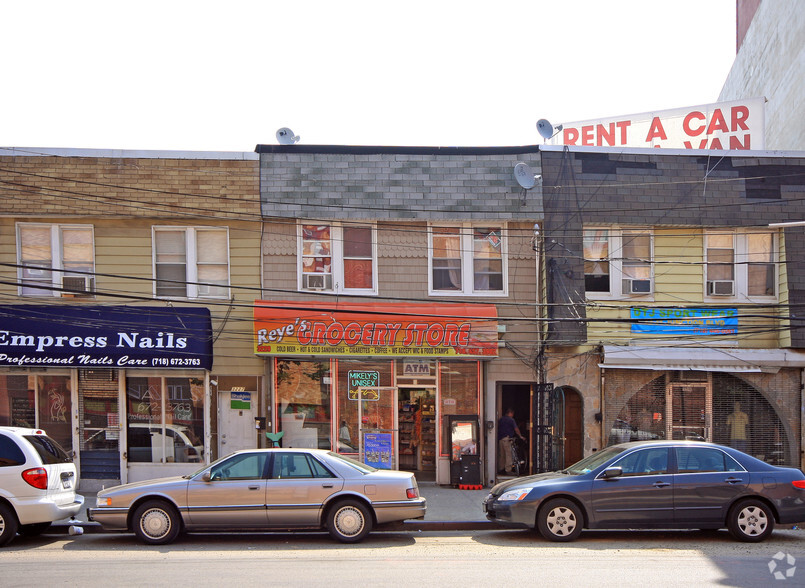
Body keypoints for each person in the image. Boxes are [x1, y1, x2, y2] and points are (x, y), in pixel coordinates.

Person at [498, 408, 525, 474]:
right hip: (507, 439)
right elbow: (516, 429)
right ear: (510, 413)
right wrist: (520, 436)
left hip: (500, 439)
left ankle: (501, 469)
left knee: (502, 455)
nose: (513, 415)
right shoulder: (511, 420)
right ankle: (508, 470)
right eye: (512, 414)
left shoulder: (501, 419)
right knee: (508, 455)